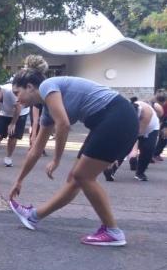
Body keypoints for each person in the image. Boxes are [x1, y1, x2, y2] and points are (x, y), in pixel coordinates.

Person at [7, 56, 138, 247]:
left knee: (83, 176)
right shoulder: (47, 110)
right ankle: (33, 217)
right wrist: (19, 180)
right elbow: (36, 150)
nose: (17, 99)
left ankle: (113, 231)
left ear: (30, 86)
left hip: (117, 117)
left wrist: (57, 159)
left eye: (17, 92)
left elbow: (64, 124)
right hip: (108, 121)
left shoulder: (47, 86)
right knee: (75, 178)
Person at [103, 98, 160, 181]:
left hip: (150, 129)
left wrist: (134, 150)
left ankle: (140, 173)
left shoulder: (147, 112)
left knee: (148, 149)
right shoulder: (123, 111)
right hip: (132, 128)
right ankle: (111, 169)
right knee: (123, 147)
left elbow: (138, 133)